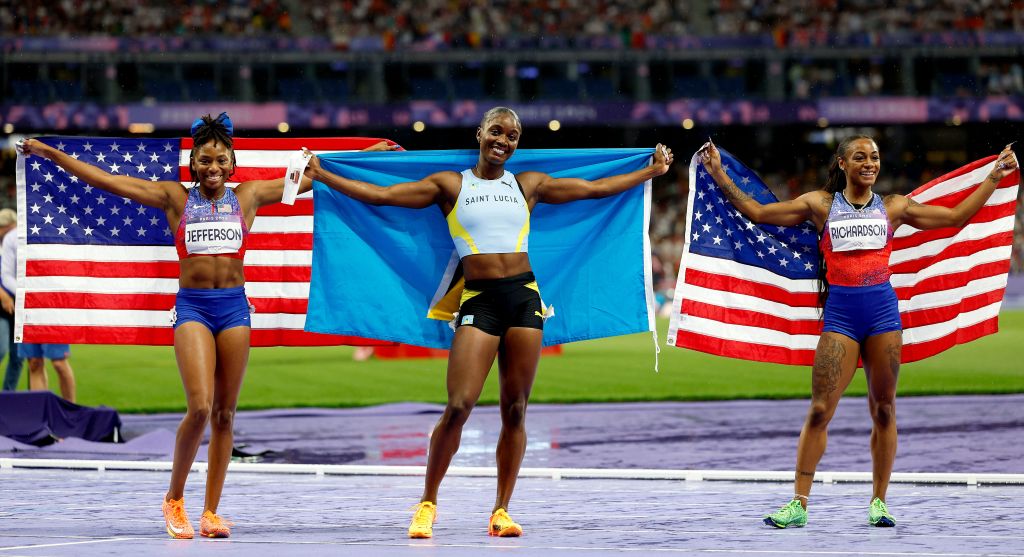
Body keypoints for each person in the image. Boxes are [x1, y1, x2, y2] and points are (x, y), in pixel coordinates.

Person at [303, 106, 674, 538]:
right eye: (496, 131)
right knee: (459, 405)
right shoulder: (451, 184)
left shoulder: (528, 184)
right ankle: (427, 503)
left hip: (524, 299)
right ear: (480, 133)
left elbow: (594, 189)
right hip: (479, 300)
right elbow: (383, 197)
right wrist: (325, 175)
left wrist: (651, 171)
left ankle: (501, 510)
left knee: (515, 410)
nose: (503, 140)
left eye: (512, 135)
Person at [19, 113, 395, 540]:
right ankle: (174, 498)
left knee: (224, 415)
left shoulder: (249, 196)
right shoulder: (173, 198)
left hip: (234, 310)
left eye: (219, 161)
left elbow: (316, 177)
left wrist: (369, 156)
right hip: (194, 309)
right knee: (199, 407)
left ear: (232, 164)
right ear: (192, 164)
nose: (212, 168)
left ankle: (211, 512)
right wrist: (50, 153)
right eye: (204, 161)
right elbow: (106, 180)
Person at [700, 136, 1018, 528]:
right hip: (842, 318)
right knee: (820, 410)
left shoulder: (895, 206)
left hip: (883, 316)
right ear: (843, 163)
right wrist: (718, 171)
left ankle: (879, 503)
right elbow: (757, 211)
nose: (869, 163)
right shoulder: (819, 204)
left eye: (875, 157)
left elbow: (955, 219)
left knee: (884, 409)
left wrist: (994, 176)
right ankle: (798, 503)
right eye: (859, 157)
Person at [0, 208, 26, 391]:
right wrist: (2, 294)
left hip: (21, 308)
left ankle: (7, 398)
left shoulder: (19, 242)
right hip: (2, 308)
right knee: (0, 350)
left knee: (18, 357)